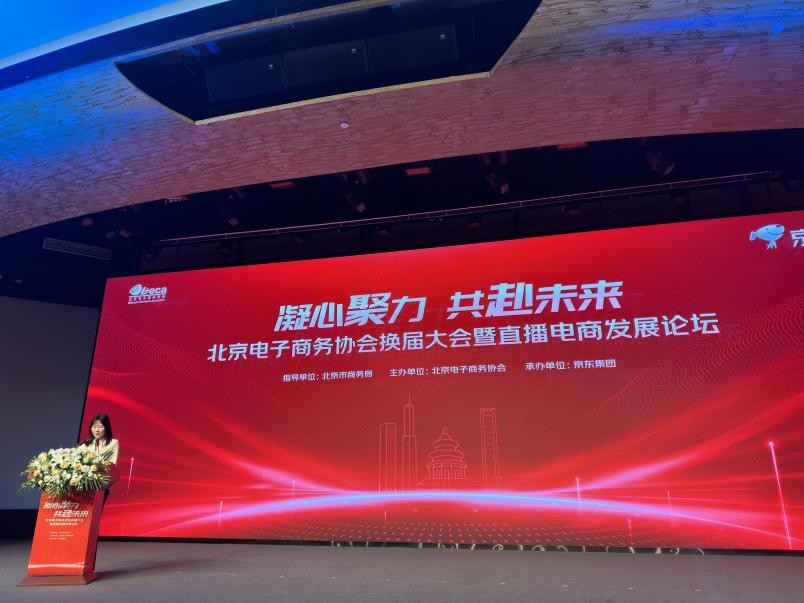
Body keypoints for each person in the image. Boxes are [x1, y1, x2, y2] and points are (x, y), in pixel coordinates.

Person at [79, 413, 120, 503]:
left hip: (101, 487)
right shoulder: (84, 445)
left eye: (100, 427)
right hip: (83, 488)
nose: (97, 430)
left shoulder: (113, 443)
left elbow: (113, 466)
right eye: (94, 427)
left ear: (106, 428)